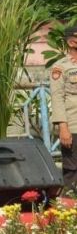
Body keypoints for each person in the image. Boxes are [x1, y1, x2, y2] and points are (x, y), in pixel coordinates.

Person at [50, 25, 77, 190]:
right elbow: (57, 97)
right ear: (73, 42)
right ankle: (70, 208)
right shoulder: (61, 67)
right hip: (73, 125)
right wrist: (63, 128)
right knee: (72, 170)